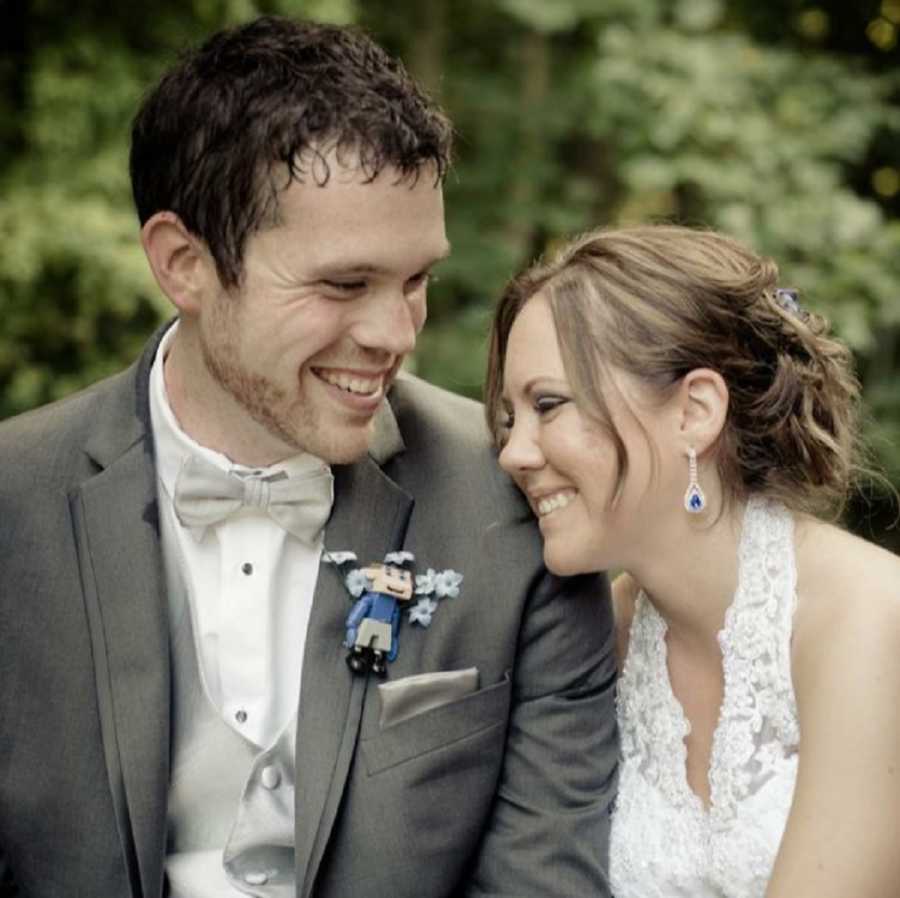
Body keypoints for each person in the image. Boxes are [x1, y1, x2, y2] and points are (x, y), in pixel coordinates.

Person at [0, 16, 618, 898]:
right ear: (184, 263)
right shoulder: (12, 503)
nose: (395, 334)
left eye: (417, 281)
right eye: (343, 284)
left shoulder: (513, 503)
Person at [486, 224, 900, 898]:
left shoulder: (869, 620)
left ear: (695, 411)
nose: (514, 453)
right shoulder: (597, 637)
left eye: (549, 405)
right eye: (509, 419)